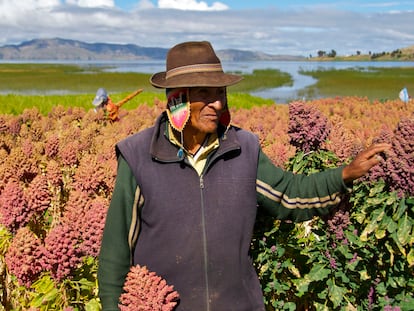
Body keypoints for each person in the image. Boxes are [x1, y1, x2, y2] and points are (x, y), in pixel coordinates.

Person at [97, 41, 390, 311]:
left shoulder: (243, 150)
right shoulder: (137, 156)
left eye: (220, 93)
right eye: (204, 94)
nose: (218, 104)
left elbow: (288, 193)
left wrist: (345, 175)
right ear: (177, 99)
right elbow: (115, 254)